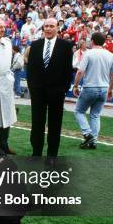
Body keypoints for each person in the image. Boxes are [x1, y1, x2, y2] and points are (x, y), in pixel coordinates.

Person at [26, 18, 74, 159]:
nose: (48, 29)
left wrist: (63, 89)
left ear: (57, 28)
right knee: (37, 123)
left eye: (51, 26)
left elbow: (68, 70)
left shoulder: (65, 46)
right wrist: (32, 87)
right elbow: (31, 69)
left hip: (57, 92)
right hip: (38, 92)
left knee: (55, 124)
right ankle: (36, 153)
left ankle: (52, 155)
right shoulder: (35, 45)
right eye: (46, 26)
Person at [72, 33, 113, 149]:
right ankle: (93, 141)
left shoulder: (88, 54)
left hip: (90, 87)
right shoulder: (110, 55)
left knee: (79, 111)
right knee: (95, 115)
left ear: (92, 41)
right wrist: (111, 89)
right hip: (104, 88)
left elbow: (80, 72)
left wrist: (76, 85)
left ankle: (88, 134)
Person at [0, 17, 19, 155]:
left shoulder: (8, 42)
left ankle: (4, 145)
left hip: (6, 83)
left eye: (3, 27)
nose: (2, 29)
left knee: (6, 115)